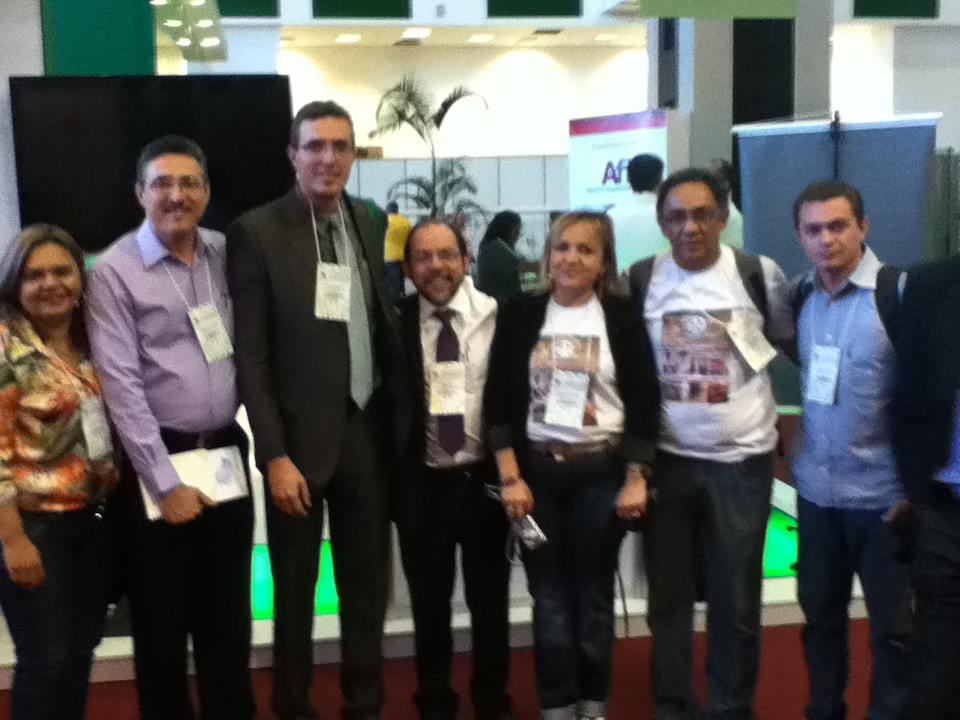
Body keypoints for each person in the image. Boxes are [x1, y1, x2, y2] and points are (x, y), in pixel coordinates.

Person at [226, 100, 408, 720]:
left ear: (353, 155)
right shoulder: (256, 231)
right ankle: (293, 705)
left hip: (366, 432)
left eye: (340, 146)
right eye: (314, 146)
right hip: (297, 447)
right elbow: (250, 357)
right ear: (293, 155)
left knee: (366, 590)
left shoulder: (369, 218)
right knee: (296, 593)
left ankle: (365, 705)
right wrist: (273, 454)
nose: (328, 158)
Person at [86, 135, 255, 720]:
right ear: (140, 193)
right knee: (161, 622)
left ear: (206, 193)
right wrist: (163, 483)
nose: (176, 195)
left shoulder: (223, 252)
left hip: (225, 454)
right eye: (162, 183)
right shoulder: (114, 271)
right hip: (158, 459)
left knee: (227, 614)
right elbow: (121, 386)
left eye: (189, 183)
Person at [626, 167, 792, 720]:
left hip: (740, 463)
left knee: (736, 601)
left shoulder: (756, 274)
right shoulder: (642, 278)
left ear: (723, 218)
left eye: (702, 214)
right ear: (661, 222)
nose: (689, 227)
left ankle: (729, 708)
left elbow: (788, 343)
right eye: (676, 216)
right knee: (667, 601)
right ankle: (672, 706)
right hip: (668, 462)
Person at [485, 211, 660, 720]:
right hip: (535, 476)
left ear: (604, 260)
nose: (571, 258)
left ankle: (594, 703)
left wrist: (636, 476)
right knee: (549, 599)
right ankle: (558, 705)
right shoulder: (520, 314)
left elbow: (644, 399)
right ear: (547, 254)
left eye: (586, 249)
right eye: (562, 247)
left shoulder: (622, 316)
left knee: (593, 596)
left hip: (600, 475)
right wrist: (510, 476)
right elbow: (498, 402)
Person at [791, 180, 910, 720]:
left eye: (838, 226)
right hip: (817, 498)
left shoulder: (898, 295)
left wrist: (919, 488)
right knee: (820, 624)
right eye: (813, 229)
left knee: (895, 633)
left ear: (864, 226)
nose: (826, 239)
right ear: (800, 236)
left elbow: (933, 395)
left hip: (886, 500)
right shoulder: (799, 296)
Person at [0, 224, 118, 720]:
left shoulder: (91, 339)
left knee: (79, 653)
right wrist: (13, 541)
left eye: (61, 272)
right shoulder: (7, 347)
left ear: (79, 278)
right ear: (14, 284)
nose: (50, 284)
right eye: (34, 275)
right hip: (33, 528)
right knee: (45, 660)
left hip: (92, 522)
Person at [396, 219, 513, 720]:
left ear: (467, 260)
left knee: (490, 605)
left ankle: (492, 701)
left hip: (484, 481)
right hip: (423, 485)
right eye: (423, 257)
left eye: (446, 254)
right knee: (428, 607)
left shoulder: (499, 316)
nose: (436, 266)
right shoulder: (394, 321)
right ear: (407, 268)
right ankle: (435, 702)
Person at [892, 255, 960, 718]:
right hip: (945, 513)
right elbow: (906, 398)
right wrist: (915, 491)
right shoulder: (928, 286)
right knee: (933, 685)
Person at [606, 153, 669, 272]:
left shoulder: (610, 217)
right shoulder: (669, 217)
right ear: (661, 180)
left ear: (628, 179)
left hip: (619, 282)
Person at [476, 210, 523, 304]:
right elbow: (521, 265)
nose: (518, 235)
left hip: (495, 300)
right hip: (501, 302)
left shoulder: (489, 245)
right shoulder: (496, 248)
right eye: (516, 231)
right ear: (506, 230)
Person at [384, 200, 412, 302]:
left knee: (391, 284)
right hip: (402, 258)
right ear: (397, 210)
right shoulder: (406, 222)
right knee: (401, 281)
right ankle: (402, 298)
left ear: (387, 210)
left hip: (388, 257)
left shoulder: (385, 221)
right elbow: (410, 239)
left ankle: (395, 303)